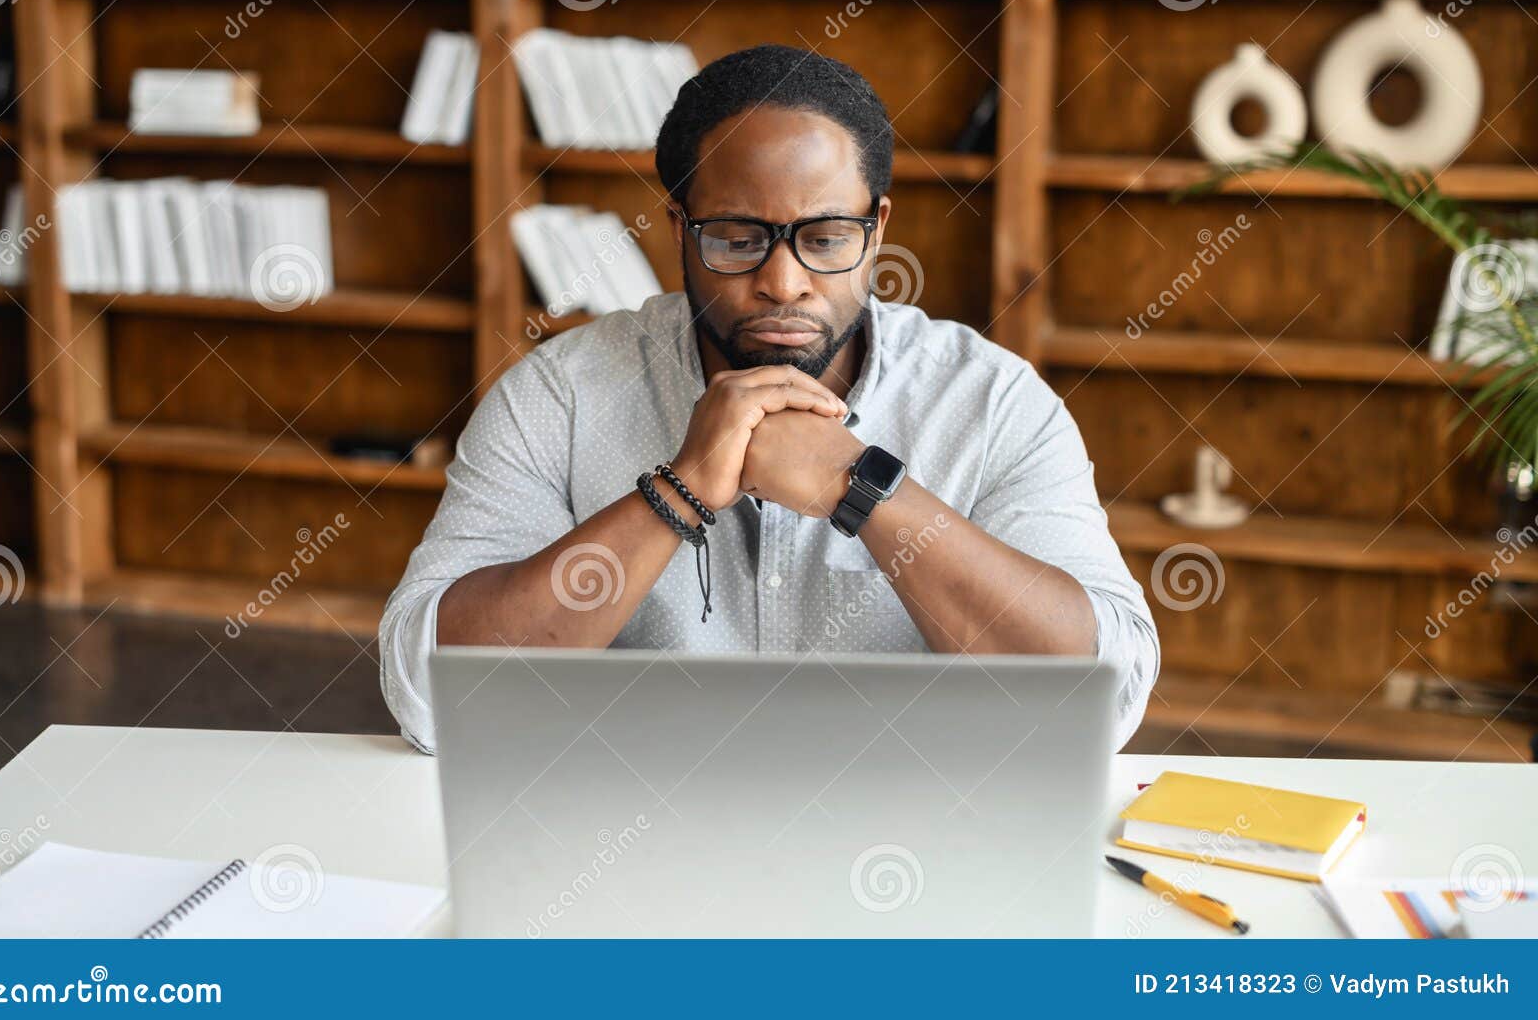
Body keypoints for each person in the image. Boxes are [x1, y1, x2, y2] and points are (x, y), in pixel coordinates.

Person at [379, 43, 1158, 754]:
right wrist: (674, 496)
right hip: (627, 836)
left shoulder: (991, 400)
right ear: (680, 227)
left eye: (823, 239)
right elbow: (427, 693)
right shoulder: (560, 395)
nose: (783, 283)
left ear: (877, 227)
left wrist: (865, 488)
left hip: (909, 845)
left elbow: (1106, 698)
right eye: (737, 238)